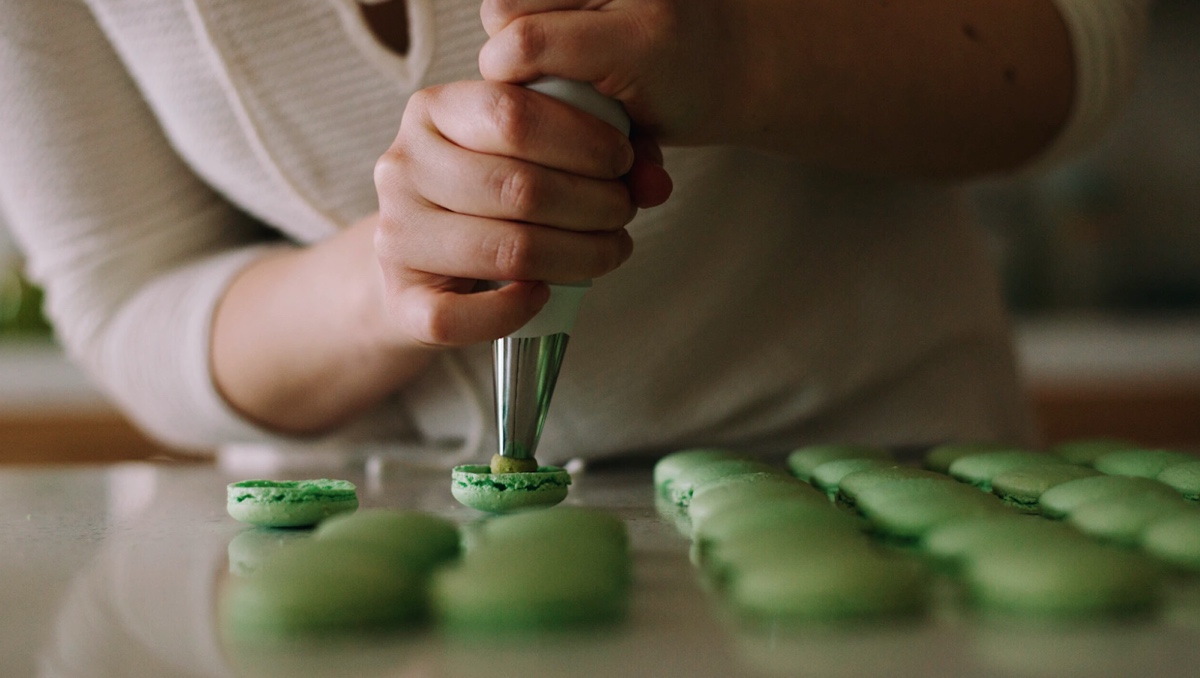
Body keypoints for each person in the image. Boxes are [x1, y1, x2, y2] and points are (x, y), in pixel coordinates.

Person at [0, 1, 1151, 466]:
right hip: (359, 572)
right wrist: (391, 277)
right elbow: (123, 292)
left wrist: (745, 58)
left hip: (879, 488)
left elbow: (1081, 41)